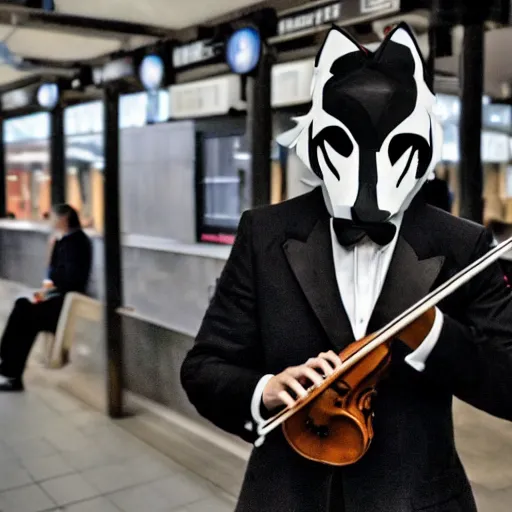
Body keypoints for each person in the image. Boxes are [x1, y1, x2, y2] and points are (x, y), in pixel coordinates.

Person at [180, 23, 512, 512]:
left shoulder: (463, 244)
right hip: (287, 495)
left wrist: (435, 336)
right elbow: (204, 367)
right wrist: (264, 390)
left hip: (416, 498)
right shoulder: (266, 232)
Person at [0, 204, 92, 392]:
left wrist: (51, 278)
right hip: (58, 298)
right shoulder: (65, 241)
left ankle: (10, 371)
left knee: (26, 314)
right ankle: (7, 363)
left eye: (53, 218)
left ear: (64, 219)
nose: (50, 222)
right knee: (22, 305)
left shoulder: (76, 243)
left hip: (65, 303)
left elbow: (68, 278)